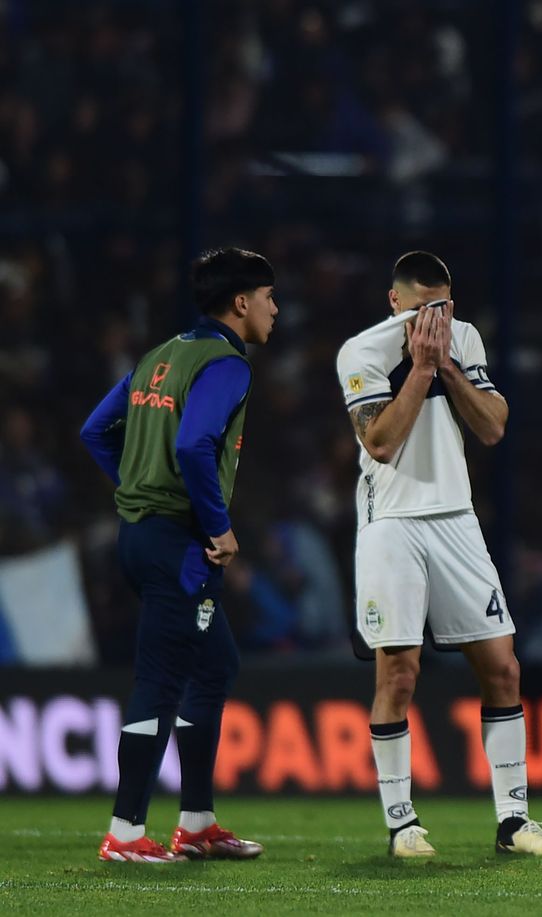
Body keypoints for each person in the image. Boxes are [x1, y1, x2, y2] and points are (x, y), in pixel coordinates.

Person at [335, 251, 542, 858]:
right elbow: (381, 443)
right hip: (391, 522)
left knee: (503, 668)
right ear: (395, 303)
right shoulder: (361, 352)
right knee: (399, 672)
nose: (435, 321)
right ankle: (401, 825)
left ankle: (514, 823)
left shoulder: (463, 340)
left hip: (456, 519)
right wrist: (419, 370)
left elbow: (493, 426)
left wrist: (449, 367)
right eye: (421, 309)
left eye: (442, 308)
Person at [80, 247, 278, 863]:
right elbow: (196, 445)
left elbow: (95, 431)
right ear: (241, 302)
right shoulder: (227, 363)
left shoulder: (158, 357)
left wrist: (138, 485)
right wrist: (217, 528)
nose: (276, 309)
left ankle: (196, 823)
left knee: (215, 665)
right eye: (270, 298)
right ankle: (127, 832)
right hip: (181, 545)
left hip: (141, 537)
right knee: (161, 681)